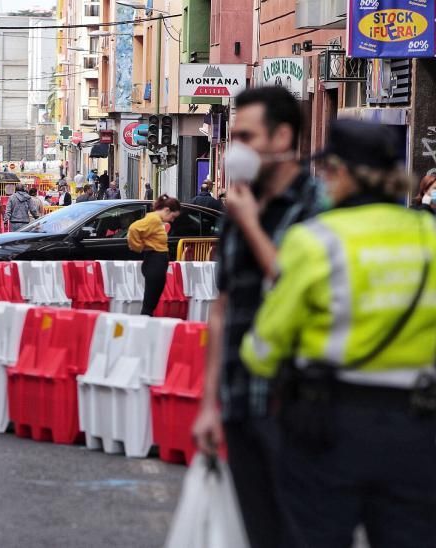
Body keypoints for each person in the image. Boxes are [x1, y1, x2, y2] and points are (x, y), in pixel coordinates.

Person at [241, 119, 436, 548]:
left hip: (326, 427)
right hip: (419, 429)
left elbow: (262, 349)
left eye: (327, 171)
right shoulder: (430, 236)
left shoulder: (316, 241)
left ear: (344, 172)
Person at [191, 86, 324, 548]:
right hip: (240, 399)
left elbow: (304, 290)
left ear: (282, 136)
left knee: (300, 532)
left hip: (296, 404)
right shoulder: (239, 206)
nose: (236, 149)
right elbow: (223, 306)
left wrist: (249, 223)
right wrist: (210, 403)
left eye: (247, 136)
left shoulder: (318, 209)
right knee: (257, 532)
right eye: (234, 137)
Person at [127, 195, 181, 316]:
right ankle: (145, 327)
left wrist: (140, 246)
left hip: (155, 262)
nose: (172, 220)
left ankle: (146, 324)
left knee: (151, 302)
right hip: (155, 262)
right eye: (172, 216)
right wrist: (138, 246)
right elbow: (133, 229)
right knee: (149, 304)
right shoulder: (154, 220)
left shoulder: (156, 220)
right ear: (167, 210)